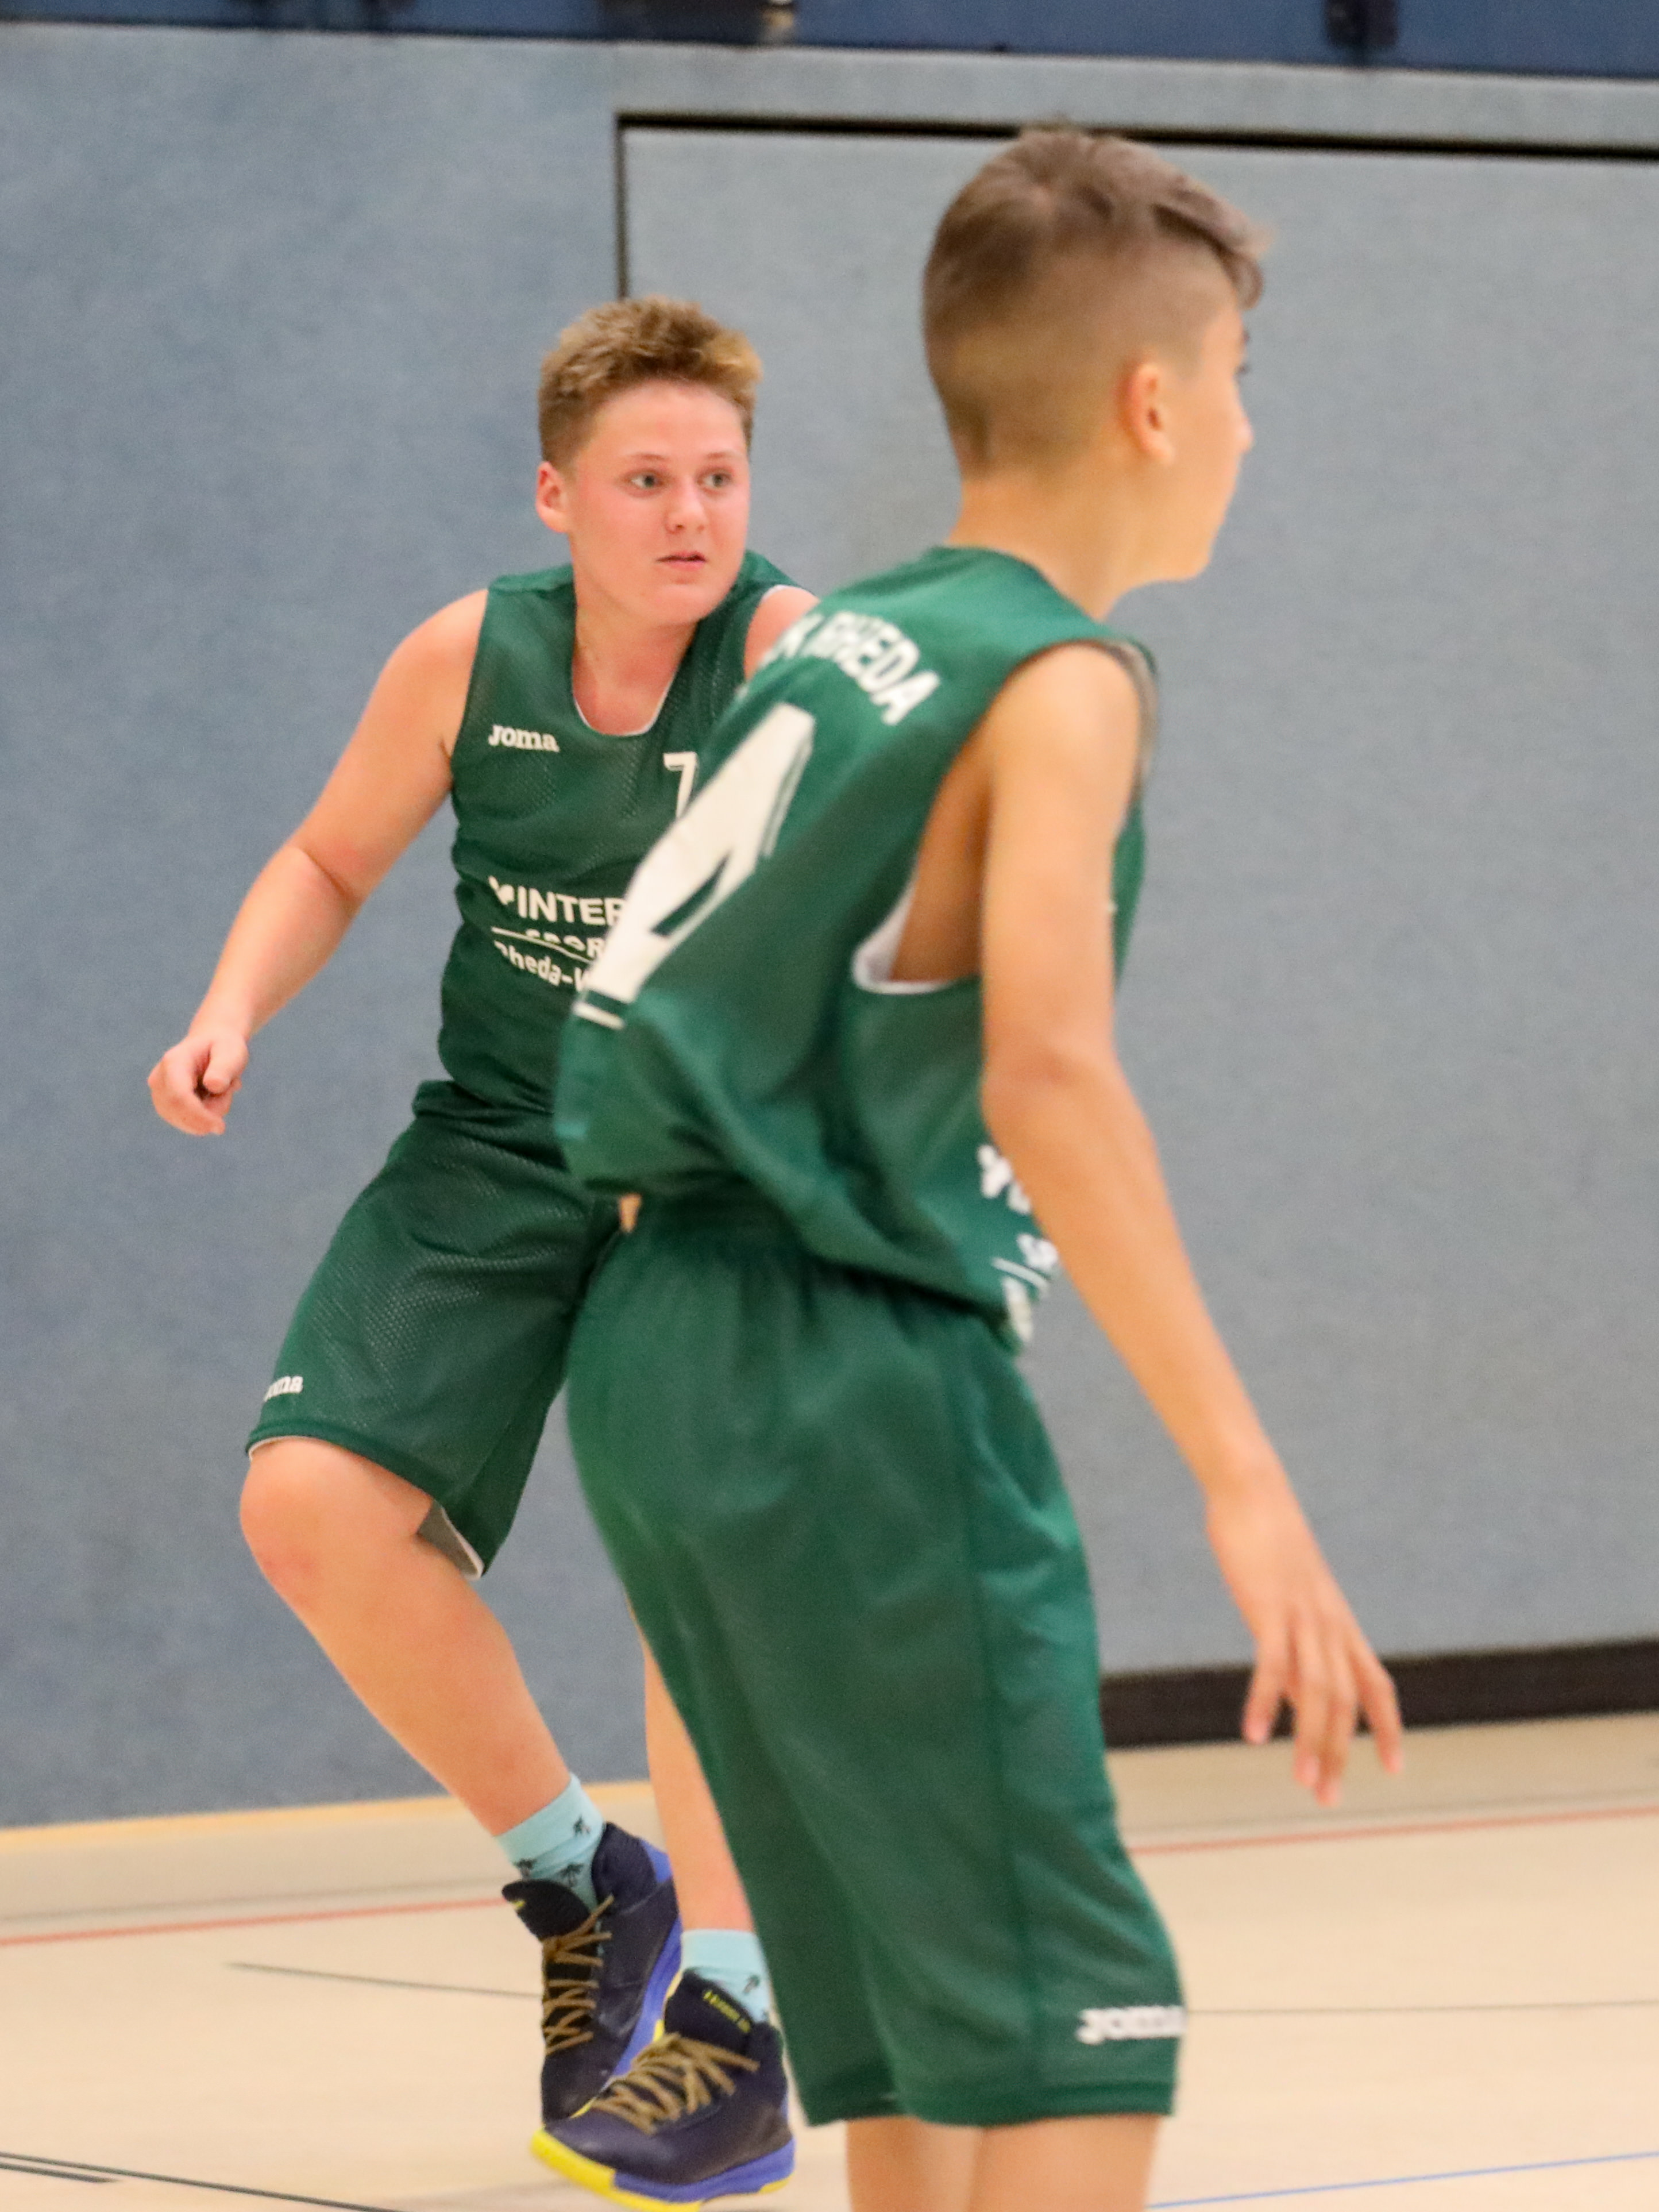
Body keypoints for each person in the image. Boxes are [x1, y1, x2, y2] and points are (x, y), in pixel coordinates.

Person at [547, 132, 1405, 2212]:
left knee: (919, 2010)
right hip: (847, 1371)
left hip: (655, 1356)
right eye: (1240, 382)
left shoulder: (841, 640)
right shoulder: (1062, 675)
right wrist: (1245, 1476)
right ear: (1153, 404)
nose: (1247, 430)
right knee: (1072, 2007)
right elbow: (1049, 1073)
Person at [147, 296, 815, 2203]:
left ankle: (741, 2019)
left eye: (718, 477)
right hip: (504, 1142)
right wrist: (231, 1006)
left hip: (707, 1166)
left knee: (692, 1548)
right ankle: (584, 1879)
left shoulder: (789, 659)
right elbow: (328, 858)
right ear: (557, 496)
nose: (689, 513)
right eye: (646, 480)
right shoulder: (467, 656)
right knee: (309, 1505)